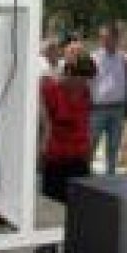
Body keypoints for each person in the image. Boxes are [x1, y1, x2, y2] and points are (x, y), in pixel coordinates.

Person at [39, 54, 97, 202]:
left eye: (87, 79)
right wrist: (42, 152)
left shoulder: (85, 93)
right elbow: (44, 126)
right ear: (69, 73)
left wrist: (89, 149)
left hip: (79, 159)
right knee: (53, 206)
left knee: (81, 205)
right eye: (81, 78)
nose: (84, 83)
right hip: (56, 161)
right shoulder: (49, 91)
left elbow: (86, 123)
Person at [89, 22, 127, 176]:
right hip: (97, 108)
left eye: (109, 37)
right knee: (91, 144)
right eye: (103, 38)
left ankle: (111, 177)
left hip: (118, 108)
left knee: (114, 146)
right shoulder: (93, 58)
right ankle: (85, 177)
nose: (106, 41)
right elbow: (88, 83)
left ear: (116, 38)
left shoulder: (124, 59)